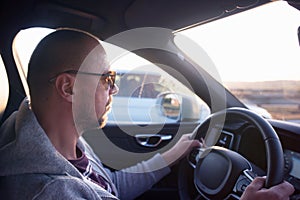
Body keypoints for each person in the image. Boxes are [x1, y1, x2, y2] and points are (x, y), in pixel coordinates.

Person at [0, 29, 294, 200]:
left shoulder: (62, 144)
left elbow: (110, 187)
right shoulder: (53, 192)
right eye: (107, 78)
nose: (113, 89)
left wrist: (171, 156)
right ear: (68, 87)